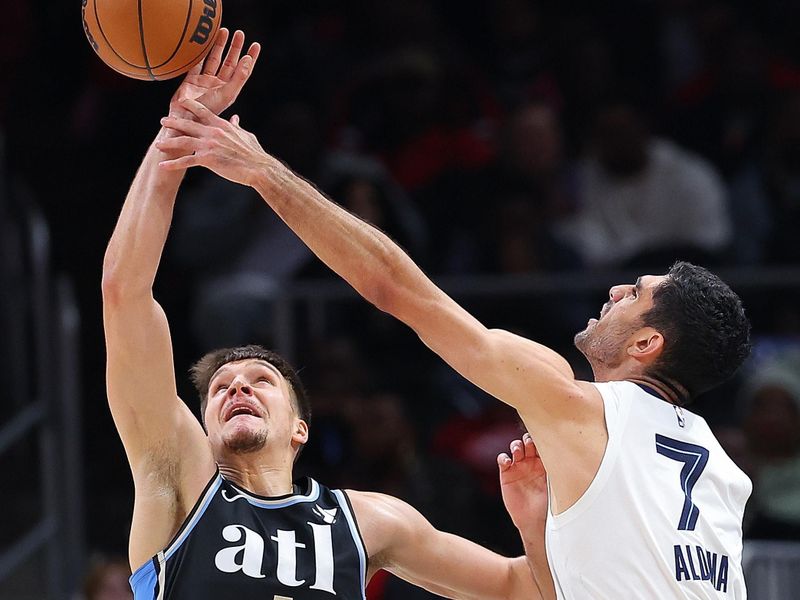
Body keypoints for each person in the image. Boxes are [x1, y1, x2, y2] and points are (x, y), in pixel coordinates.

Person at [158, 76, 754, 598]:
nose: (619, 289)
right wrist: (543, 533)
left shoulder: (578, 407)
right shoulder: (723, 471)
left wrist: (265, 173)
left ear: (648, 344)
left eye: (638, 295)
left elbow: (397, 289)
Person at [102, 29, 555, 600]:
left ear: (300, 429)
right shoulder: (178, 479)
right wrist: (176, 138)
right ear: (206, 429)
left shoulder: (367, 523)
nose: (237, 386)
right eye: (219, 389)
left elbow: (519, 587)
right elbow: (125, 293)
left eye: (260, 380)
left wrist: (535, 529)